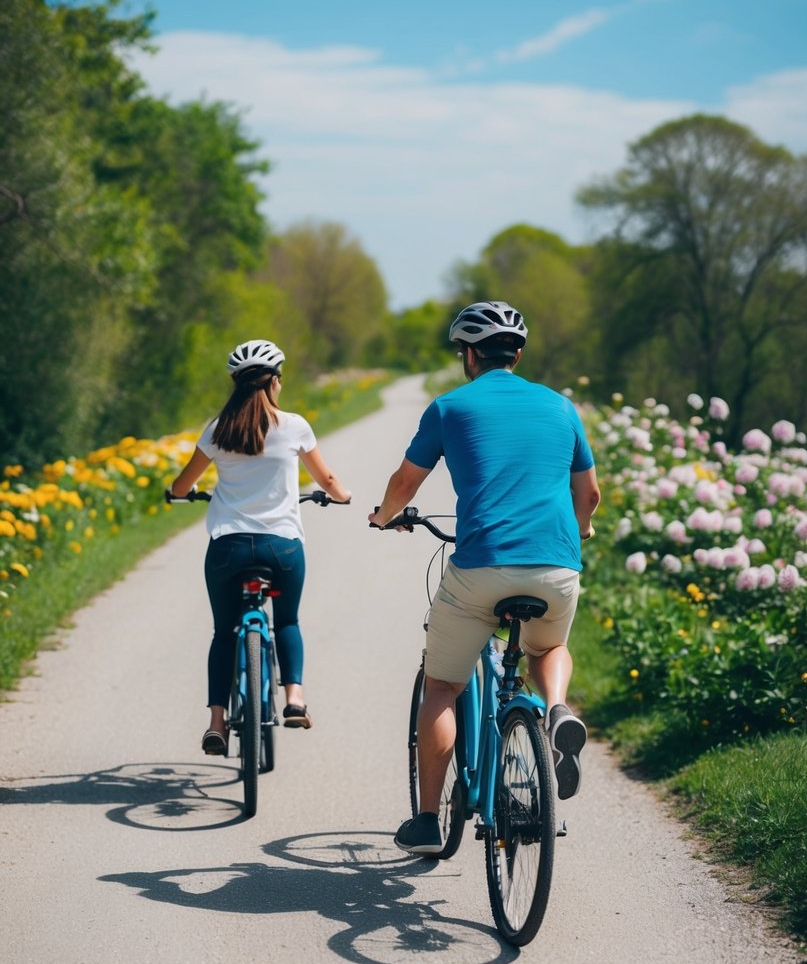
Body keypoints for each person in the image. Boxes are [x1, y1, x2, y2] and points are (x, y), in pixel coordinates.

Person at [369, 302, 600, 855]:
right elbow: (587, 495)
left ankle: (427, 821)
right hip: (556, 566)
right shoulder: (561, 407)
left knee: (442, 686)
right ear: (517, 354)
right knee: (550, 646)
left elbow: (406, 482)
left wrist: (384, 517)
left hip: (482, 567)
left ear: (469, 355)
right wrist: (583, 530)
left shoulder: (450, 407)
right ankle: (559, 708)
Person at [170, 339, 351, 755]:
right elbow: (327, 481)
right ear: (273, 382)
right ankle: (294, 699)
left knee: (223, 632)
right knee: (286, 622)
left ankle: (217, 722)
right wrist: (342, 495)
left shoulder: (217, 429)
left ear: (236, 382)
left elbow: (183, 485)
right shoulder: (294, 426)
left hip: (228, 549)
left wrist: (179, 492)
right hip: (281, 548)